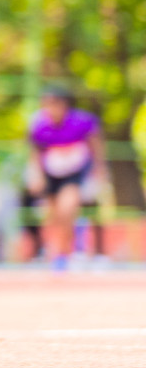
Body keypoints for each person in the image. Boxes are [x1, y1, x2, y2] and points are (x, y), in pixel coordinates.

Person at [28, 88, 106, 268]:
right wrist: (36, 175)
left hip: (75, 174)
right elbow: (35, 153)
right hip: (52, 174)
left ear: (63, 105)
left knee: (67, 209)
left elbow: (96, 145)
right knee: (54, 216)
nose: (49, 109)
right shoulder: (40, 125)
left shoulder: (81, 122)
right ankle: (59, 253)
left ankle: (66, 253)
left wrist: (99, 170)